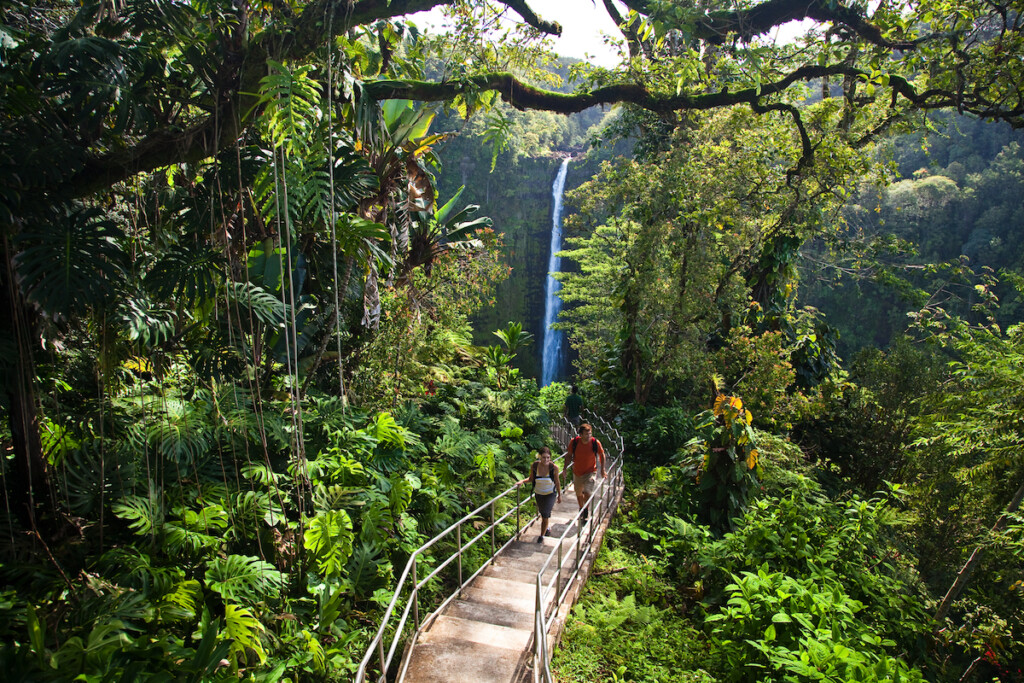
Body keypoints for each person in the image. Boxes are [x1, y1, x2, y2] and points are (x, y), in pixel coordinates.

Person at [517, 447, 562, 542]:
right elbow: (531, 479)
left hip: (550, 494)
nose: (546, 460)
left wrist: (559, 495)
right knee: (543, 514)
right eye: (544, 457)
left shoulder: (554, 468)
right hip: (539, 494)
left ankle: (541, 536)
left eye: (548, 457)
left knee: (545, 514)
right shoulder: (534, 466)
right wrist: (522, 481)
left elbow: (557, 482)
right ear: (540, 457)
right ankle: (547, 528)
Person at [566, 423, 605, 525]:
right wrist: (565, 468)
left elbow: (602, 454)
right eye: (586, 434)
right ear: (580, 434)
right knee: (579, 493)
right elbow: (569, 455)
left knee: (587, 492)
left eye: (590, 434)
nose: (589, 436)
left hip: (591, 471)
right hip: (577, 472)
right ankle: (581, 508)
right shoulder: (574, 442)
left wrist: (602, 470)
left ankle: (585, 509)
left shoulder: (595, 443)